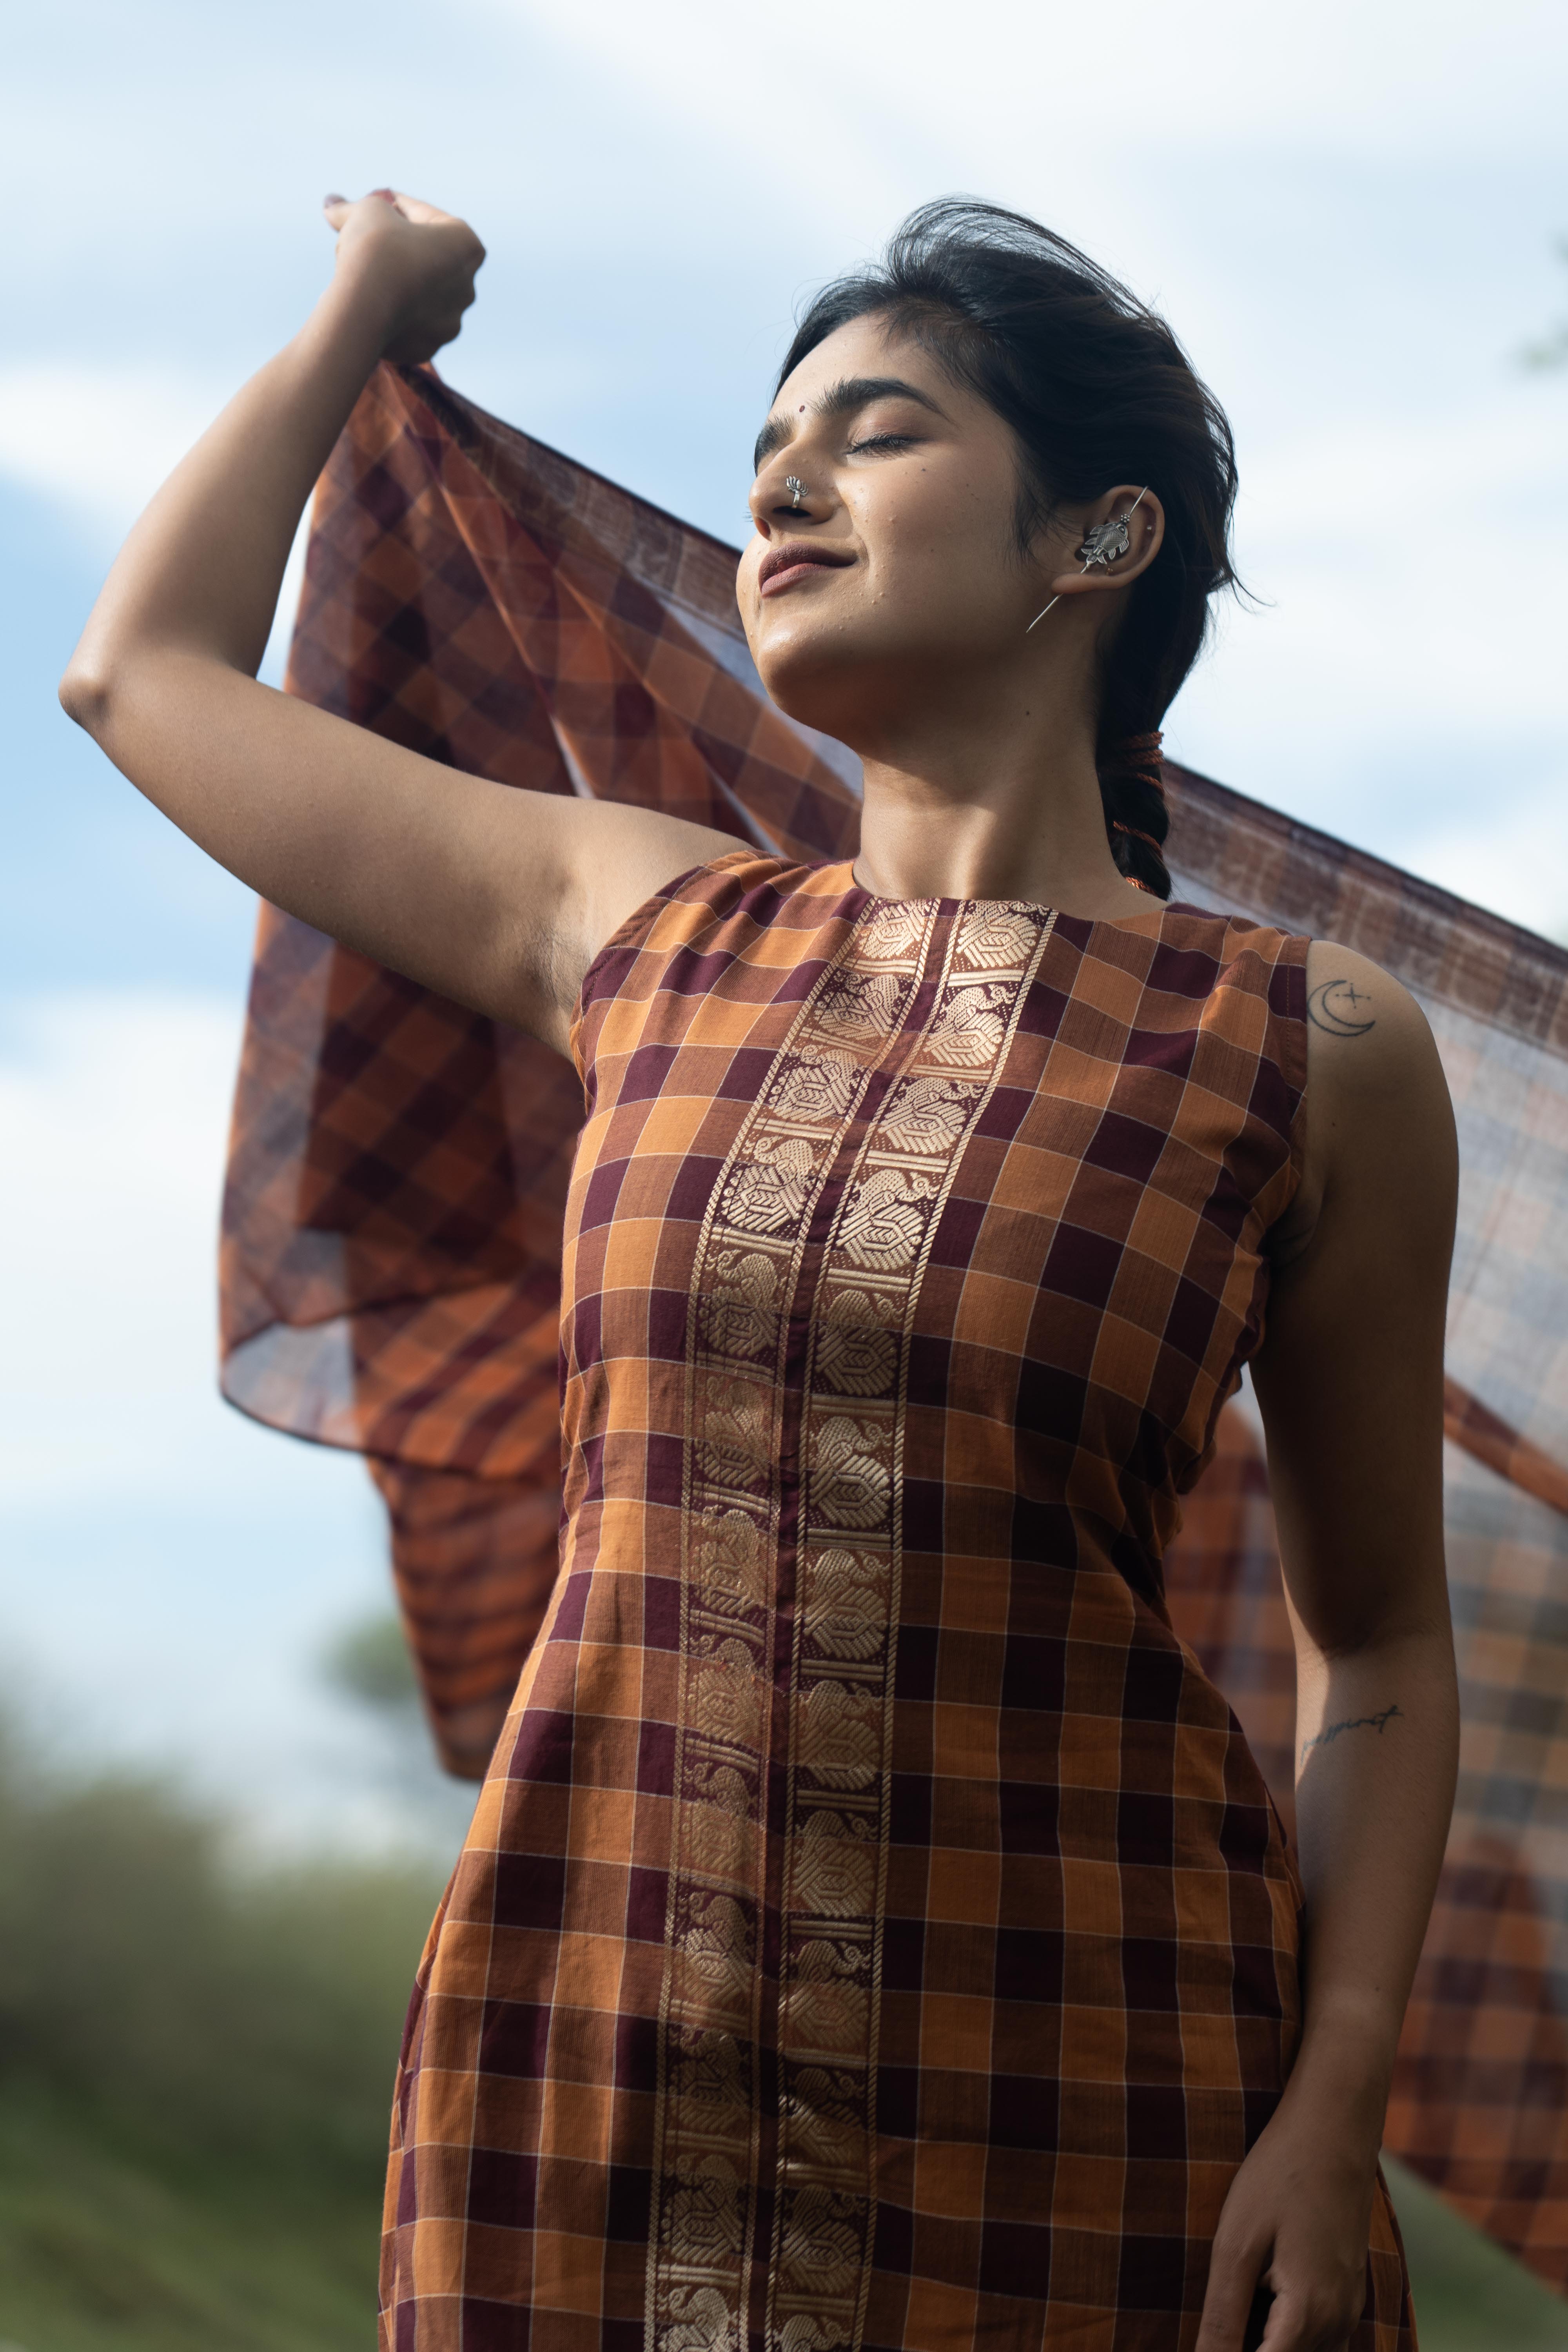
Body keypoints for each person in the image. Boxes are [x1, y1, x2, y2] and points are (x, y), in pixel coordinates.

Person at [62, 189, 1459, 2352]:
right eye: (769, 450)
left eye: (878, 435)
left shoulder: (1310, 1051)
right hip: (583, 2046)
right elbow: (137, 677)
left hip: (1101, 2078)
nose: (785, 486)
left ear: (1096, 541)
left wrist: (1332, 2099)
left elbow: (1374, 1648)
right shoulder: (640, 925)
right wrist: (356, 312)